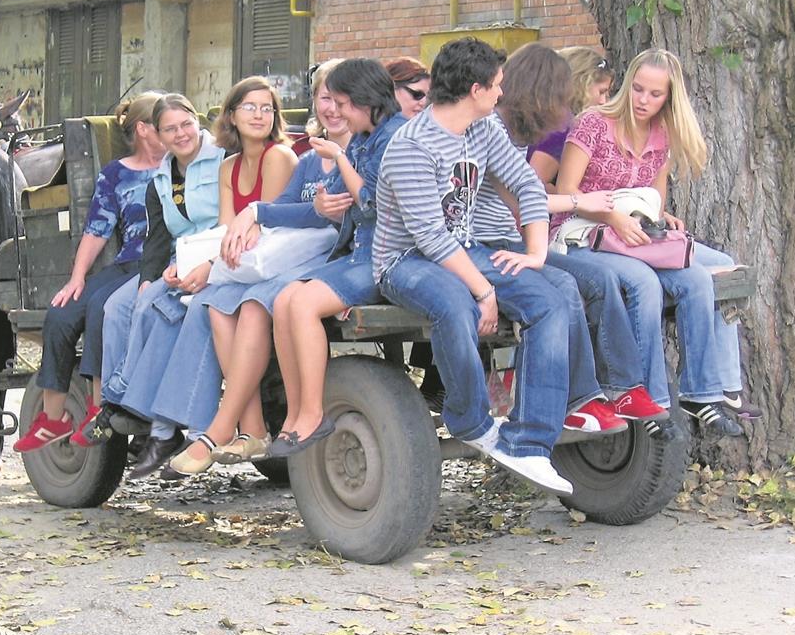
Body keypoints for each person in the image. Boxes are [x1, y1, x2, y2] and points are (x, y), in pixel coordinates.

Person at [373, 37, 572, 495]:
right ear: (476, 89)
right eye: (497, 86)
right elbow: (429, 237)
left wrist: (535, 253)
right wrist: (484, 290)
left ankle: (529, 443)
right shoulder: (412, 146)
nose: (502, 94)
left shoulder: (483, 130)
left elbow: (525, 184)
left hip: (464, 247)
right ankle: (470, 420)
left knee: (548, 301)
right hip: (405, 261)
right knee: (454, 304)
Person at [471, 43, 667, 438]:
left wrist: (536, 247)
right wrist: (580, 201)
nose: (565, 105)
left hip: (514, 239)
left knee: (599, 279)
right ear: (540, 91)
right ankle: (577, 399)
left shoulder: (519, 134)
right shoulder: (489, 130)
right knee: (565, 286)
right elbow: (523, 195)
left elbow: (523, 196)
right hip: (484, 243)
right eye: (560, 94)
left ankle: (622, 387)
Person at [163, 60, 349, 475]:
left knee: (250, 307)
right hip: (276, 257)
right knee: (217, 305)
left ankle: (218, 429)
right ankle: (252, 429)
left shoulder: (333, 153)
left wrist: (259, 215)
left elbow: (310, 218)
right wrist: (244, 227)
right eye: (324, 98)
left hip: (312, 260)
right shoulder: (308, 158)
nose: (333, 108)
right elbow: (270, 215)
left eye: (343, 100)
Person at [106, 79, 298, 479]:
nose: (259, 115)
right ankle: (157, 417)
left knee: (198, 309)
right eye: (249, 107)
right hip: (227, 260)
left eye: (267, 108)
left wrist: (208, 270)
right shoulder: (226, 166)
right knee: (160, 303)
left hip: (275, 262)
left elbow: (274, 232)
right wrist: (201, 266)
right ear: (231, 115)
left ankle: (206, 431)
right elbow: (224, 232)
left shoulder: (277, 157)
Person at [551, 48, 748, 435]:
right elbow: (566, 190)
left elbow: (652, 196)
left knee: (697, 279)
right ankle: (651, 400)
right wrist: (611, 217)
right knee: (643, 282)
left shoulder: (663, 134)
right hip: (582, 232)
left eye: (654, 94)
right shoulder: (594, 123)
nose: (643, 100)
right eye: (638, 89)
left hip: (633, 234)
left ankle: (701, 393)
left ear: (670, 98)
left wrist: (661, 217)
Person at [265, 58, 408, 457]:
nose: (338, 112)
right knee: (284, 300)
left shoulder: (394, 137)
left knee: (305, 303)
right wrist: (328, 202)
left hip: (385, 254)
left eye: (342, 102)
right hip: (360, 250)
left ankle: (314, 411)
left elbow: (372, 204)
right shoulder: (366, 136)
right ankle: (296, 413)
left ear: (364, 99)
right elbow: (344, 201)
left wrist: (341, 161)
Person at [13, 92, 166, 453]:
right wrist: (77, 277)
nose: (174, 131)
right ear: (144, 129)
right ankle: (53, 419)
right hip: (128, 262)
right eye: (164, 124)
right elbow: (97, 229)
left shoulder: (181, 166)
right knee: (63, 311)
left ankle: (101, 411)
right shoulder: (116, 174)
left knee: (102, 308)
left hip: (160, 263)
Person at [527, 47, 616, 191]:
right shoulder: (561, 129)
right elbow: (534, 184)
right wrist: (578, 200)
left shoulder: (549, 114)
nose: (603, 101)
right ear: (581, 84)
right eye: (601, 92)